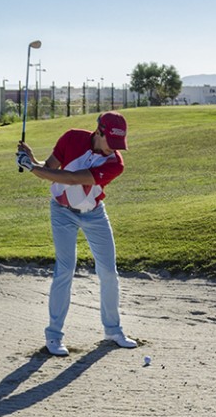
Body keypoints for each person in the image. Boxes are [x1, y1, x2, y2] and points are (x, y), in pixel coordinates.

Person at [17, 111, 137, 356]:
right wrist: (30, 160)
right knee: (65, 268)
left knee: (108, 272)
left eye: (118, 145)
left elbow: (72, 179)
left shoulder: (115, 163)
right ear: (99, 131)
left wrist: (32, 169)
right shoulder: (71, 138)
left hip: (94, 214)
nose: (113, 149)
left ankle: (113, 331)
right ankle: (54, 336)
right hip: (62, 212)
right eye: (111, 142)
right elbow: (49, 168)